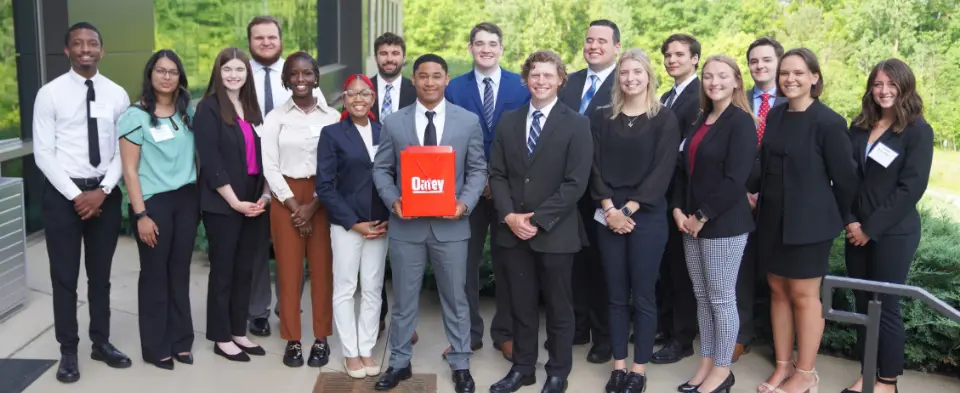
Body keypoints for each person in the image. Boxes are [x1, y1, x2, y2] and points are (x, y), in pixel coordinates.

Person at [371, 54, 486, 393]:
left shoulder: (467, 121)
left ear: (447, 79)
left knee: (456, 298)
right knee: (405, 300)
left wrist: (464, 203)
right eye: (423, 76)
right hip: (407, 226)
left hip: (451, 227)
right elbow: (381, 169)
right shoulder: (395, 122)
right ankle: (399, 361)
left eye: (437, 76)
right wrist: (394, 200)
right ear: (414, 80)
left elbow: (479, 169)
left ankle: (461, 363)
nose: (430, 82)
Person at [33, 22, 132, 383]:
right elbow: (43, 153)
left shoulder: (117, 94)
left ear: (101, 51)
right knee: (64, 277)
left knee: (101, 276)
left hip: (104, 192)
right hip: (64, 197)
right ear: (67, 51)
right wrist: (77, 196)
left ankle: (101, 342)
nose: (85, 49)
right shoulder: (50, 94)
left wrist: (103, 190)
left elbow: (125, 148)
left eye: (92, 43)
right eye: (78, 43)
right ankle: (68, 351)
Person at [488, 50, 593, 393]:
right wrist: (509, 216)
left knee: (560, 308)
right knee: (520, 305)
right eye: (535, 75)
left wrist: (538, 219)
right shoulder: (508, 121)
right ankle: (523, 368)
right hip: (512, 231)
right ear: (525, 79)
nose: (541, 81)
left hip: (556, 233)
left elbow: (576, 182)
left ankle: (558, 372)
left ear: (561, 79)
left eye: (549, 75)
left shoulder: (577, 124)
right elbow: (498, 174)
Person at [755, 48, 857, 393]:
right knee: (777, 290)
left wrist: (840, 222)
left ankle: (806, 372)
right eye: (784, 73)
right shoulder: (777, 115)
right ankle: (783, 365)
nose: (790, 79)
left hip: (810, 222)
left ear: (814, 77)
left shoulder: (829, 122)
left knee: (802, 294)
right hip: (772, 218)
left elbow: (845, 180)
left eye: (799, 72)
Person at [842, 59, 933, 393]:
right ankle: (867, 372)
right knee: (862, 303)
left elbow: (911, 188)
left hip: (894, 233)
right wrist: (851, 220)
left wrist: (870, 228)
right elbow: (846, 178)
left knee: (885, 303)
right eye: (878, 84)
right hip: (855, 229)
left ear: (904, 87)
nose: (884, 91)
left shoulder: (918, 131)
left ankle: (887, 380)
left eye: (891, 85)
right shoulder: (860, 127)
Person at [591, 48, 679, 393]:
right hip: (608, 213)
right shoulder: (602, 117)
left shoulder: (664, 119)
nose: (630, 78)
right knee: (614, 296)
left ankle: (638, 370)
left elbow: (662, 172)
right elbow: (592, 167)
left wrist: (626, 211)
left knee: (643, 296)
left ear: (648, 76)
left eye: (637, 72)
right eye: (625, 73)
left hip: (647, 216)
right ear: (619, 78)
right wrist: (610, 210)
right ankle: (618, 366)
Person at [444, 21, 531, 361]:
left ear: (501, 48)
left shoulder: (520, 86)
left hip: (509, 191)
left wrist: (497, 182)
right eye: (479, 43)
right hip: (467, 191)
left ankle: (505, 333)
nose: (486, 48)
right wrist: (475, 182)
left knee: (509, 262)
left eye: (492, 43)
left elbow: (525, 140)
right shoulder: (455, 89)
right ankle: (467, 334)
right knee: (464, 265)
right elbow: (450, 139)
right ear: (470, 48)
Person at [672, 55, 758, 393]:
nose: (714, 82)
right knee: (702, 297)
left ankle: (723, 370)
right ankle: (706, 361)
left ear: (736, 81)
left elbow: (735, 179)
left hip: (723, 224)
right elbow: (684, 169)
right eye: (708, 76)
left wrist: (701, 216)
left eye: (722, 76)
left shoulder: (740, 122)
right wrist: (679, 211)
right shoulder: (701, 119)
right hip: (690, 223)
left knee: (722, 299)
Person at [117, 49, 198, 371]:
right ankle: (155, 345)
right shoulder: (134, 116)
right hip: (154, 203)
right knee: (154, 274)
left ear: (180, 77)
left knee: (179, 273)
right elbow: (130, 170)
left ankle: (181, 341)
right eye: (160, 70)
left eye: (173, 71)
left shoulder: (186, 112)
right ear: (150, 74)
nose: (167, 76)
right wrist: (141, 214)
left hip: (187, 199)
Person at [260, 51, 339, 368]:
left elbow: (335, 166)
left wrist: (314, 205)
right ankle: (292, 340)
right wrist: (296, 206)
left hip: (323, 198)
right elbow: (270, 165)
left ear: (316, 76)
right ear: (286, 79)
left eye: (307, 73)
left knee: (323, 272)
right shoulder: (276, 118)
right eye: (294, 74)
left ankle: (321, 339)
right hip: (285, 198)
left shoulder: (332, 116)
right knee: (289, 272)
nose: (301, 79)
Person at [245, 15, 322, 337]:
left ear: (280, 40)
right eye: (258, 37)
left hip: (292, 173)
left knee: (295, 245)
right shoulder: (238, 73)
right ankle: (258, 309)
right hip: (249, 168)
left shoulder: (294, 73)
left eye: (271, 37)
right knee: (255, 245)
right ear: (249, 41)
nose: (265, 42)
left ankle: (287, 303)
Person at [194, 47, 270, 362]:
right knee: (224, 270)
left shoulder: (252, 108)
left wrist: (264, 196)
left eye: (240, 69)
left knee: (246, 270)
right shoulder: (208, 109)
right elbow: (210, 161)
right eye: (228, 70)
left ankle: (239, 331)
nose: (234, 75)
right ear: (218, 72)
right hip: (223, 203)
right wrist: (235, 202)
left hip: (254, 200)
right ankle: (221, 336)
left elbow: (268, 157)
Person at [317, 74, 391, 379]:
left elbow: (392, 175)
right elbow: (325, 185)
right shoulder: (332, 133)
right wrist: (353, 222)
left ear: (373, 99)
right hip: (347, 224)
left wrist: (389, 213)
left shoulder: (385, 131)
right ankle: (350, 352)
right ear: (344, 100)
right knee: (346, 288)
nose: (358, 99)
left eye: (365, 94)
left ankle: (366, 349)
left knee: (373, 289)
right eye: (352, 94)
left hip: (380, 223)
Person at [557, 19, 621, 364]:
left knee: (602, 266)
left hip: (603, 192)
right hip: (567, 192)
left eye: (601, 41)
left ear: (616, 48)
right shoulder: (571, 82)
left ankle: (604, 336)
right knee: (573, 263)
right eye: (589, 40)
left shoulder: (623, 83)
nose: (593, 45)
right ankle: (578, 327)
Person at [653, 32, 702, 365]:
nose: (672, 60)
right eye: (668, 55)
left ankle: (682, 338)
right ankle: (665, 325)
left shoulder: (700, 95)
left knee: (683, 270)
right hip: (663, 191)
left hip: (685, 194)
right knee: (667, 266)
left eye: (679, 55)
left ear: (695, 58)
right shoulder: (668, 95)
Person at [737, 36, 787, 362]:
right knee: (739, 270)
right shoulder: (737, 99)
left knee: (778, 275)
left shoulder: (792, 101)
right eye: (754, 61)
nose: (760, 66)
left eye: (766, 60)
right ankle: (740, 336)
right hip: (738, 196)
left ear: (779, 63)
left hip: (778, 201)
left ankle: (781, 344)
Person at [369, 32, 418, 343]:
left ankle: (407, 321)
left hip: (409, 182)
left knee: (405, 258)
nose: (389, 58)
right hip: (368, 182)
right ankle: (378, 317)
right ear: (376, 57)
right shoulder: (361, 88)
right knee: (374, 256)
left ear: (403, 57)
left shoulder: (418, 90)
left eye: (395, 53)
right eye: (384, 53)